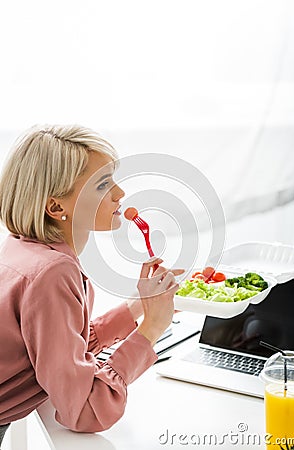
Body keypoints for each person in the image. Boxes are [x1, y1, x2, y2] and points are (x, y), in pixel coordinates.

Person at [0, 125, 183, 443]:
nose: (119, 194)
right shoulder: (53, 273)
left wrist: (138, 306)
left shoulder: (22, 247)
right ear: (57, 208)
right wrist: (150, 329)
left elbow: (61, 348)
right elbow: (85, 410)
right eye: (102, 185)